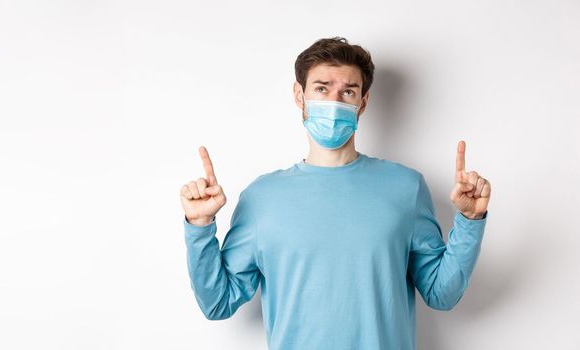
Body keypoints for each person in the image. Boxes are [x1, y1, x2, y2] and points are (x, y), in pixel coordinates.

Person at [179, 37, 491, 349]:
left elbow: (442, 294)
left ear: (363, 102)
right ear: (299, 95)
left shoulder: (405, 187)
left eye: (348, 91)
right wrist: (199, 228)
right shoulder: (262, 198)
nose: (334, 101)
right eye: (322, 88)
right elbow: (218, 303)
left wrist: (470, 219)